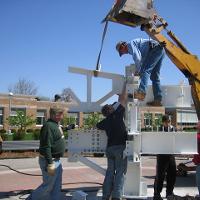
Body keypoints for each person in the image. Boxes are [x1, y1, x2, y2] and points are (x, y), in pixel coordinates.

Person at [96, 82, 128, 200]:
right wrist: (125, 84)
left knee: (110, 172)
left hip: (109, 149)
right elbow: (123, 98)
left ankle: (105, 196)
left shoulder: (105, 122)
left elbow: (97, 125)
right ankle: (116, 196)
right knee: (120, 172)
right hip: (119, 148)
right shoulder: (118, 114)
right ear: (112, 109)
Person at [27, 107, 66, 200]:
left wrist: (67, 128)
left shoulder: (56, 125)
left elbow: (57, 135)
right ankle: (32, 198)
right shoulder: (48, 126)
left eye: (61, 114)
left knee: (57, 185)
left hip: (57, 160)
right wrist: (50, 163)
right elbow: (46, 146)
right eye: (58, 115)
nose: (61, 117)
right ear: (52, 115)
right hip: (50, 160)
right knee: (48, 186)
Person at [116, 38, 165, 106]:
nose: (124, 53)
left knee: (145, 71)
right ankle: (157, 100)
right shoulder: (137, 46)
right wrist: (139, 71)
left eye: (122, 52)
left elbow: (138, 59)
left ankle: (141, 93)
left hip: (154, 49)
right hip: (160, 50)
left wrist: (138, 71)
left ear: (122, 46)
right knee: (155, 76)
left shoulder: (129, 45)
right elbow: (143, 60)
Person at [153, 114, 177, 200]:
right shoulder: (159, 130)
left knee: (172, 174)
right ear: (163, 122)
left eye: (169, 121)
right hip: (161, 155)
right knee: (160, 175)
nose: (168, 123)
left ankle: (169, 193)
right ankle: (156, 194)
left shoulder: (173, 129)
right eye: (167, 122)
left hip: (171, 154)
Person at [177, 121, 200, 197]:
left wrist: (187, 168)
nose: (196, 128)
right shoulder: (197, 137)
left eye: (197, 126)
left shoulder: (197, 137)